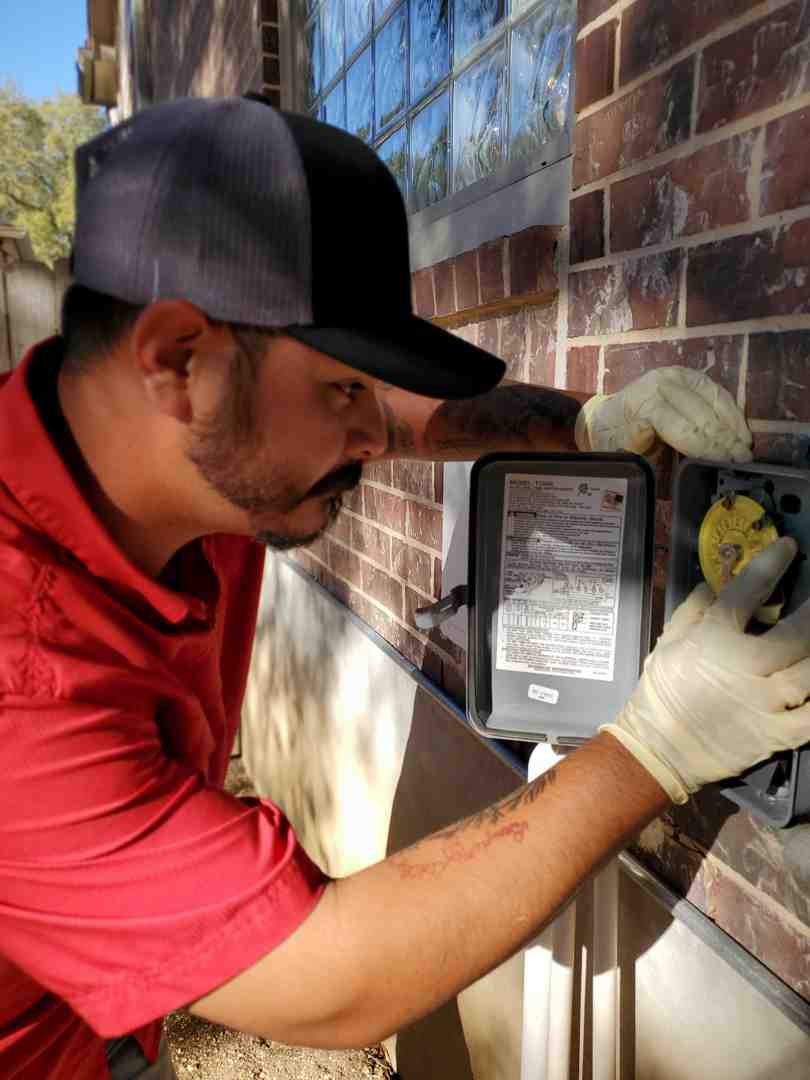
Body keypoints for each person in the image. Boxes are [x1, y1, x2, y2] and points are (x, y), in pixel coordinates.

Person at [0, 96, 806, 1080]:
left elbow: (408, 415)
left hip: (95, 1022)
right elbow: (327, 974)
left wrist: (582, 423)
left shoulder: (154, 443)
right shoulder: (20, 676)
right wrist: (662, 744)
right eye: (341, 391)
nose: (374, 437)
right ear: (178, 361)